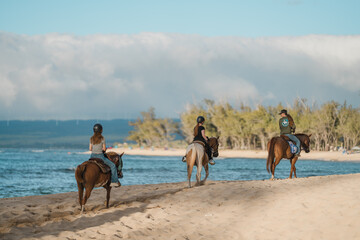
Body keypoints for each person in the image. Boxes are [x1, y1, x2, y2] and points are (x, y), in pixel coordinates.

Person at [89, 123, 120, 187]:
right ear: (101, 130)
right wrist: (103, 149)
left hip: (92, 156)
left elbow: (90, 149)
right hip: (100, 156)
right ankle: (114, 181)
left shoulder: (91, 138)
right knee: (113, 165)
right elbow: (104, 149)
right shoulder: (102, 138)